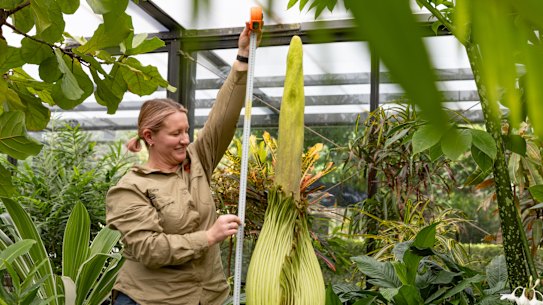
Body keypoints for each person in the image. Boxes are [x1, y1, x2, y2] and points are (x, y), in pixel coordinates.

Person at [106, 23, 262, 305]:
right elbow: (149, 249)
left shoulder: (197, 159)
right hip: (151, 300)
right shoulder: (131, 189)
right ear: (150, 137)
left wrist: (242, 58)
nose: (184, 140)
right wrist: (209, 236)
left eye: (186, 131)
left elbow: (222, 118)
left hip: (208, 296)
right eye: (175, 133)